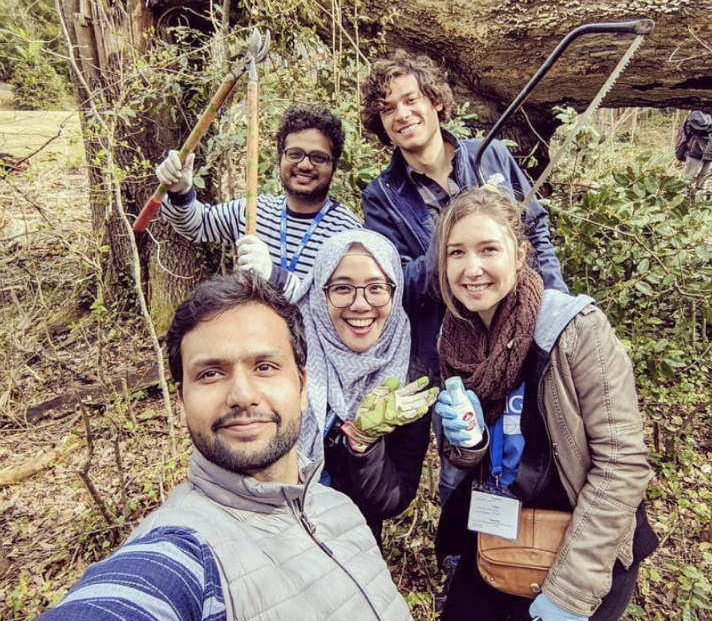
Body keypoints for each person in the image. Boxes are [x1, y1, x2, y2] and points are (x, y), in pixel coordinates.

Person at [0, 273, 421, 621]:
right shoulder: (185, 553)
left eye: (265, 366)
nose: (241, 394)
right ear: (181, 399)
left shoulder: (338, 509)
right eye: (211, 373)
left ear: (304, 385)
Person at [429, 187, 658, 621]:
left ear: (520, 252)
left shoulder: (576, 330)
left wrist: (570, 594)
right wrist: (466, 445)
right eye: (456, 252)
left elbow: (623, 465)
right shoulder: (456, 339)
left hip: (579, 555)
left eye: (488, 249)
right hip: (499, 538)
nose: (471, 268)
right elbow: (478, 462)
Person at [359, 51, 567, 379]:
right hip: (450, 357)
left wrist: (556, 302)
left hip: (520, 327)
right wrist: (451, 245)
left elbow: (535, 229)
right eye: (387, 109)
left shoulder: (490, 155)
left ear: (436, 102)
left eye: (411, 99)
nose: (402, 114)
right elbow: (395, 287)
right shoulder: (381, 196)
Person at [294, 229, 438, 542]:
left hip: (352, 546)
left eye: (376, 288)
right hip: (273, 536)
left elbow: (392, 499)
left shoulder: (407, 377)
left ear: (395, 292)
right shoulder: (285, 356)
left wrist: (364, 445)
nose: (360, 304)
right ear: (320, 292)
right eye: (342, 288)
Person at [156, 105, 361, 298]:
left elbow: (341, 308)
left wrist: (276, 277)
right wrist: (180, 191)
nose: (305, 165)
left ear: (333, 167)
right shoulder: (256, 210)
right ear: (280, 158)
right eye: (295, 154)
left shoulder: (348, 233)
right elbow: (196, 225)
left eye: (318, 157)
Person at [674, 109, 712, 198]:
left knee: (703, 177)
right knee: (688, 177)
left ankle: (700, 200)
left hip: (710, 153)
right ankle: (683, 199)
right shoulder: (696, 112)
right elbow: (702, 126)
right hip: (696, 150)